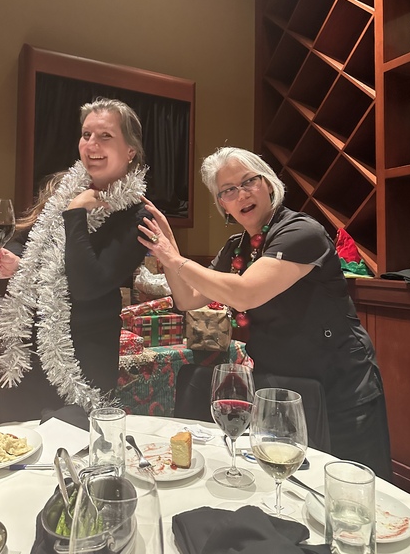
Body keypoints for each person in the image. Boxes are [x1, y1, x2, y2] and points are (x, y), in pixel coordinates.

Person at [138, 146, 392, 481]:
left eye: (248, 181)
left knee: (352, 486)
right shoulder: (236, 248)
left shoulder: (302, 231)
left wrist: (175, 259)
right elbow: (188, 299)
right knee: (291, 486)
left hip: (339, 385)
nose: (241, 194)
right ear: (223, 205)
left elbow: (246, 292)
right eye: (228, 190)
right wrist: (168, 246)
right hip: (280, 388)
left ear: (268, 184)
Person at [0, 97, 152, 421]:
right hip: (28, 349)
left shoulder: (137, 216)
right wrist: (14, 260)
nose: (92, 144)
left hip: (82, 362)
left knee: (70, 446)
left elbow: (88, 285)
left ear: (130, 150)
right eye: (86, 134)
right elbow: (25, 241)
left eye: (105, 136)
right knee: (18, 444)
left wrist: (76, 213)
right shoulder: (65, 190)